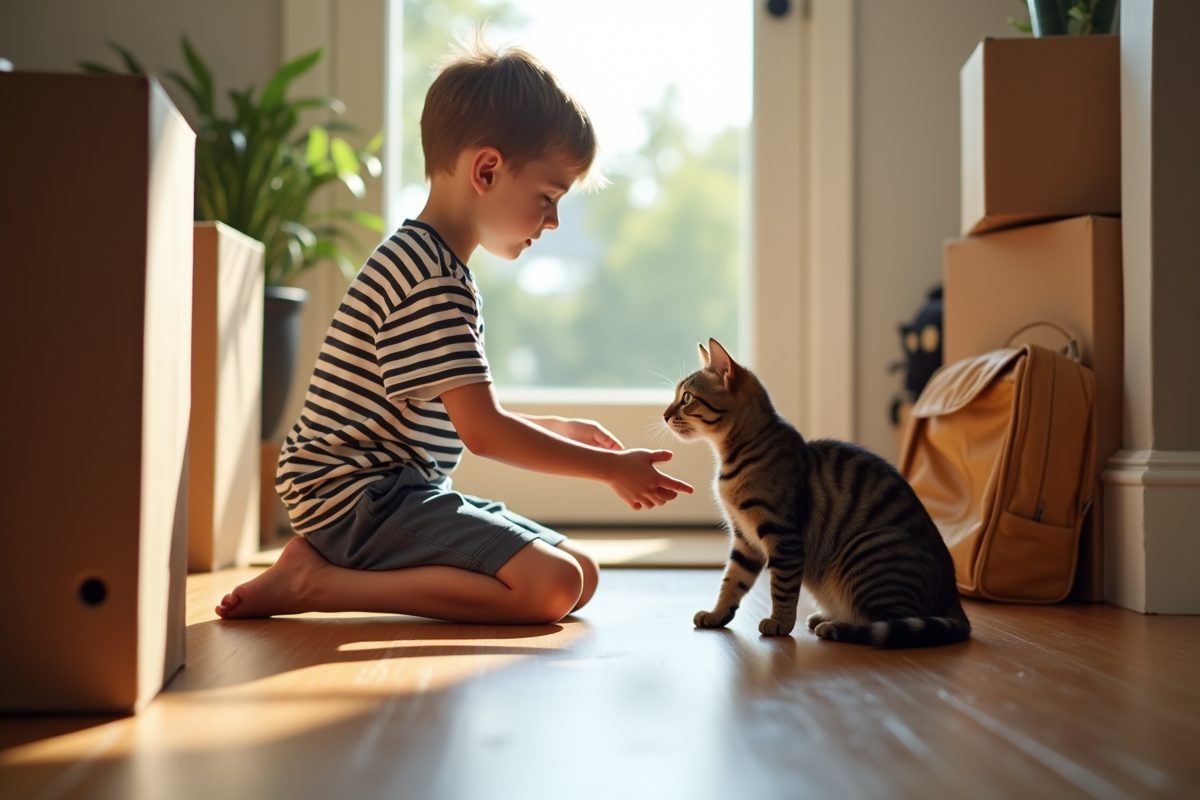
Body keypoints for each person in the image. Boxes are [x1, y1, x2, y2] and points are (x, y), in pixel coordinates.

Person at [215, 35, 693, 625]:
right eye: (546, 196)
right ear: (487, 170)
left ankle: (323, 570)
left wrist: (559, 428)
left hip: (398, 490)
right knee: (550, 587)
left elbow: (453, 408)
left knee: (580, 574)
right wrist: (607, 469)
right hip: (355, 498)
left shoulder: (430, 262)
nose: (553, 219)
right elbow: (484, 433)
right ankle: (320, 583)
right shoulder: (430, 279)